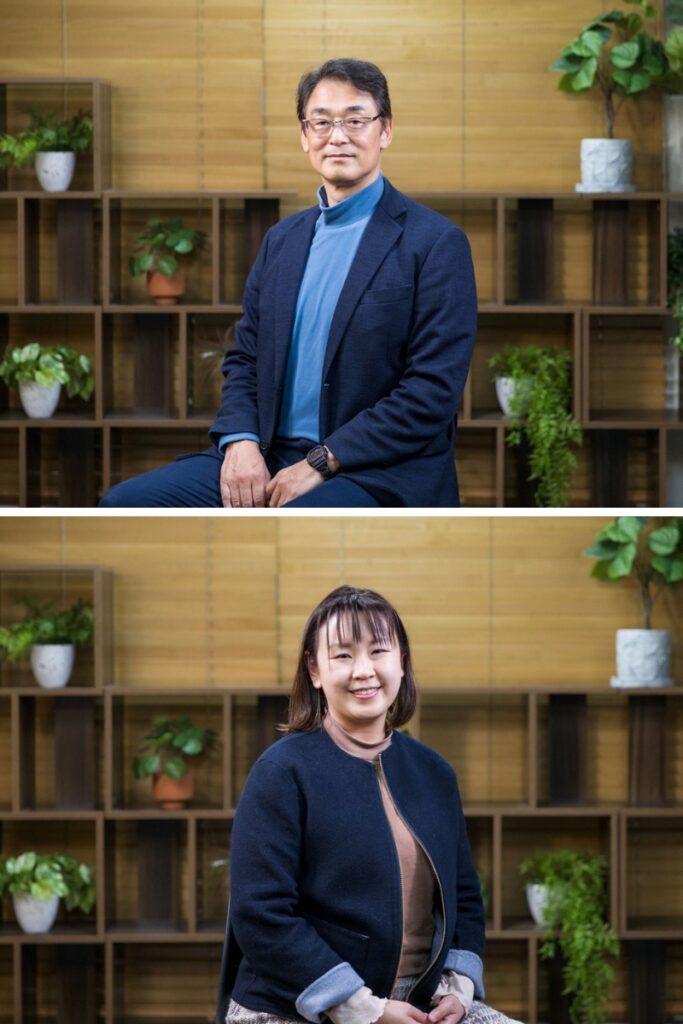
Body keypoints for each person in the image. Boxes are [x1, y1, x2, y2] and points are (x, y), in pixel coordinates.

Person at [99, 58, 477, 509]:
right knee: (127, 502)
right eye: (322, 122)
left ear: (385, 130)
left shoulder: (435, 243)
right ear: (304, 135)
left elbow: (431, 392)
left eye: (356, 119)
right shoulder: (282, 240)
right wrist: (241, 442)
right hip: (270, 454)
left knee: (297, 517)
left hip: (373, 468)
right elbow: (244, 357)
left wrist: (322, 460)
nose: (338, 136)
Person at [215, 586, 524, 1024]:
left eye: (379, 651)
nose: (364, 671)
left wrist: (457, 988)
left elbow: (465, 899)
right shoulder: (281, 773)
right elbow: (260, 915)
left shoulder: (435, 773)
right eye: (342, 656)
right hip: (297, 1005)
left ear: (401, 662)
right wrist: (365, 1008)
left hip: (420, 1004)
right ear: (314, 670)